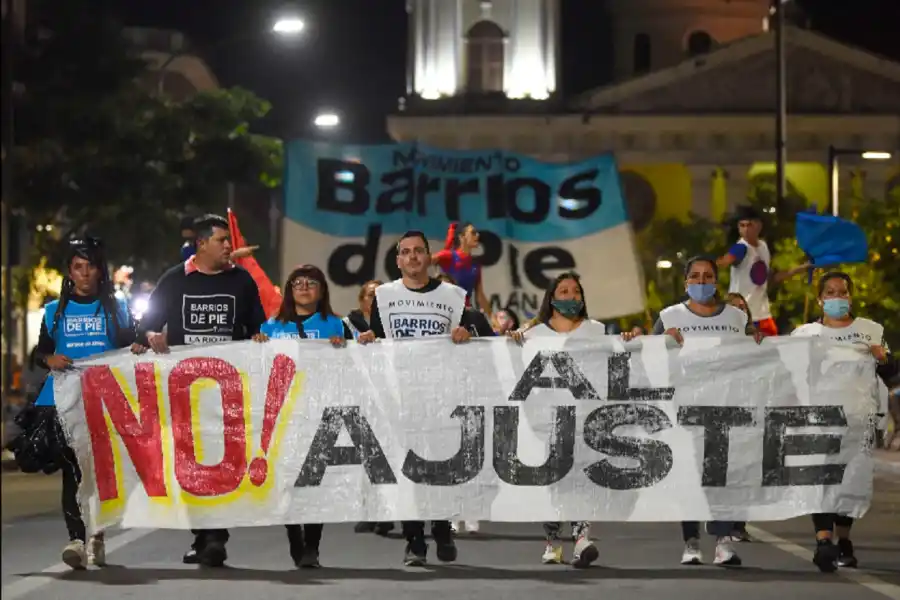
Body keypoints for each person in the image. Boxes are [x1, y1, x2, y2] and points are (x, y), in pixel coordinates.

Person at [133, 214, 266, 568]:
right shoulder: (175, 280)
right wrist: (151, 336)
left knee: (222, 465)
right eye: (222, 240)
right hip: (183, 394)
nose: (228, 246)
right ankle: (202, 535)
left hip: (228, 393)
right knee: (191, 468)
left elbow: (259, 328)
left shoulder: (242, 281)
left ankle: (214, 536)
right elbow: (145, 327)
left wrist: (258, 338)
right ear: (202, 244)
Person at [623, 256, 758, 567]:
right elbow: (648, 355)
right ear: (685, 283)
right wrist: (654, 340)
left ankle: (724, 543)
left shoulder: (737, 317)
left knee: (724, 475)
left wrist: (759, 340)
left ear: (716, 281)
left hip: (726, 408)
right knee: (690, 477)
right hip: (683, 409)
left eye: (707, 276)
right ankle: (691, 541)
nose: (701, 282)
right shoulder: (670, 315)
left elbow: (755, 354)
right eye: (695, 277)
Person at [358, 230, 471, 566]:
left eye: (419, 251)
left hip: (442, 396)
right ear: (398, 260)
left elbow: (474, 337)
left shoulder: (454, 295)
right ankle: (415, 541)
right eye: (405, 252)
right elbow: (378, 337)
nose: (412, 258)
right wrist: (369, 336)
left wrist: (466, 333)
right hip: (401, 396)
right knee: (406, 470)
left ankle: (442, 528)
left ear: (428, 256)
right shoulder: (385, 296)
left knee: (440, 469)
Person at [33, 236, 136, 569]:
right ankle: (76, 539)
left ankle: (98, 534)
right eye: (79, 267)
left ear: (99, 271)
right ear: (70, 272)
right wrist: (49, 360)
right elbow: (40, 353)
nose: (86, 273)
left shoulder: (116, 307)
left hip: (104, 401)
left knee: (101, 471)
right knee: (72, 472)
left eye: (91, 266)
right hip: (63, 403)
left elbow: (130, 346)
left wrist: (136, 348)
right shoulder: (53, 311)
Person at [791, 271, 894, 572]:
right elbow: (783, 368)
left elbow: (890, 375)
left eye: (843, 292)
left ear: (850, 297)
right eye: (831, 293)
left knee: (850, 480)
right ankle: (824, 541)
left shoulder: (870, 331)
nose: (838, 298)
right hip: (818, 419)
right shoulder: (805, 334)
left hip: (858, 420)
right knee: (821, 478)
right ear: (821, 299)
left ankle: (844, 539)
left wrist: (883, 358)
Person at [256, 264, 353, 568]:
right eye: (297, 282)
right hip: (285, 416)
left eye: (311, 282)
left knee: (315, 482)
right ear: (289, 289)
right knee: (286, 481)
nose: (304, 287)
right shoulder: (271, 327)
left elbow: (357, 364)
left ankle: (312, 545)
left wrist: (347, 348)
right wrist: (257, 346)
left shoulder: (336, 325)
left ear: (322, 290)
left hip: (321, 413)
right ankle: (294, 536)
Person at [507, 271, 601, 569]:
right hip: (546, 420)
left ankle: (582, 539)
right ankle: (553, 542)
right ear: (552, 298)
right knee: (553, 481)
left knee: (583, 479)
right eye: (564, 291)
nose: (571, 296)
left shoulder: (597, 331)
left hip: (586, 418)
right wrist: (512, 344)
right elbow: (513, 370)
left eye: (576, 291)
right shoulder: (532, 335)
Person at [716, 205, 808, 337]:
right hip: (742, 317)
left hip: (763, 314)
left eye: (749, 225)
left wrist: (801, 268)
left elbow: (771, 278)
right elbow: (724, 261)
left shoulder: (763, 247)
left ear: (759, 225)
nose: (745, 230)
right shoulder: (741, 247)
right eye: (742, 226)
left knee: (771, 353)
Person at [432, 222, 491, 314]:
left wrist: (493, 319)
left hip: (464, 313)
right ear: (462, 237)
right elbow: (422, 263)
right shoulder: (449, 256)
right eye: (473, 232)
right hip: (444, 311)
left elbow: (480, 295)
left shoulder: (475, 265)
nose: (478, 235)